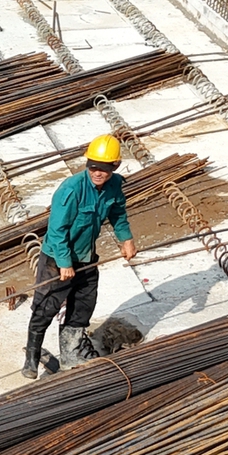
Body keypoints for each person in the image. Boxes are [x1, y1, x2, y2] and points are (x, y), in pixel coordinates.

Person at [23, 135, 137, 379]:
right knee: (46, 307)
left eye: (104, 168)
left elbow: (118, 213)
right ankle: (31, 359)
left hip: (86, 256)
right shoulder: (71, 190)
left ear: (115, 167)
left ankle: (71, 353)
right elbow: (57, 230)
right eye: (93, 166)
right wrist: (64, 263)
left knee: (84, 304)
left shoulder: (115, 185)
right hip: (57, 258)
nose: (98, 172)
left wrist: (126, 239)